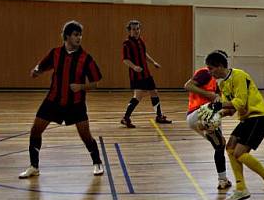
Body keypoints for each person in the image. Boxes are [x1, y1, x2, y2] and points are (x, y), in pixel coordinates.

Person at [19, 21, 104, 179]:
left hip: (76, 103)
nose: (79, 38)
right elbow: (42, 65)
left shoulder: (86, 58)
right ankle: (34, 166)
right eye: (75, 35)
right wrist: (37, 71)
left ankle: (97, 162)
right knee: (35, 130)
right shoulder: (55, 53)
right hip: (53, 100)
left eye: (80, 35)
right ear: (67, 36)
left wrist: (81, 87)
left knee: (85, 135)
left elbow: (96, 82)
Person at [211, 50, 264, 200]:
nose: (210, 72)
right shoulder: (223, 83)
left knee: (239, 153)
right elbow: (231, 110)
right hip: (248, 119)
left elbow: (240, 102)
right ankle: (241, 189)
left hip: (259, 117)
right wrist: (215, 115)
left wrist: (218, 105)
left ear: (220, 66)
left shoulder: (239, 75)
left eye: (211, 68)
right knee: (230, 148)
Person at [183, 52, 231, 191]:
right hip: (201, 113)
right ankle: (222, 179)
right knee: (220, 145)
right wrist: (210, 95)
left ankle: (223, 180)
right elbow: (188, 85)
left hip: (202, 116)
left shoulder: (220, 81)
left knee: (220, 145)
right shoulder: (205, 73)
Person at [120, 19, 172, 128]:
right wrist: (134, 67)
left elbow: (144, 54)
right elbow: (125, 59)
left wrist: (153, 62)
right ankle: (126, 118)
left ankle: (159, 116)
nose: (136, 31)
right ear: (129, 31)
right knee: (138, 97)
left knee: (154, 93)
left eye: (138, 29)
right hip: (137, 75)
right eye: (133, 29)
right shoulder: (127, 44)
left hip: (146, 74)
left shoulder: (141, 41)